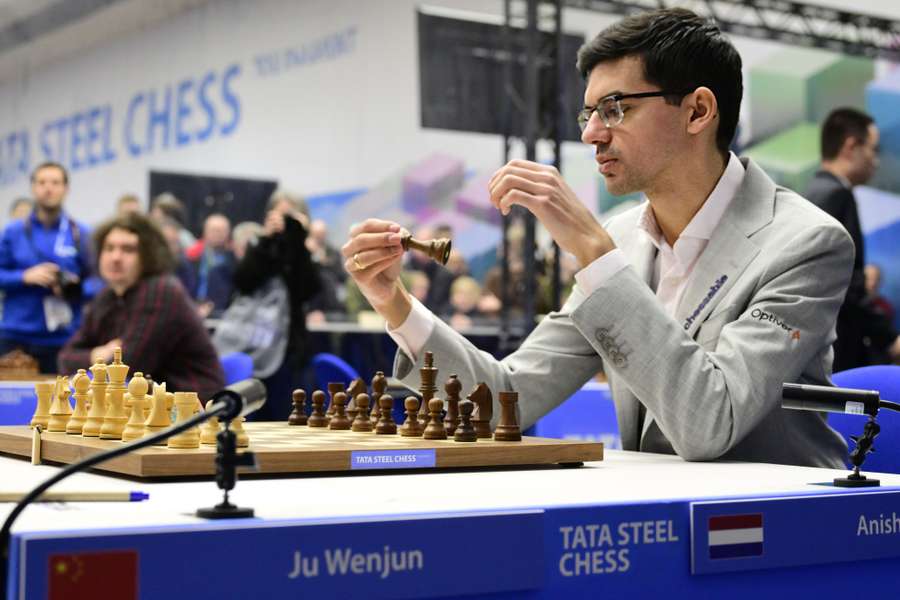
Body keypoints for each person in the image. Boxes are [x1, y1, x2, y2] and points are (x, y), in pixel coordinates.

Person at [342, 8, 855, 468]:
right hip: (661, 523)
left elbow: (709, 423)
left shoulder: (805, 243)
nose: (591, 134)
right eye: (589, 114)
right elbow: (508, 397)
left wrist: (594, 255)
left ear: (698, 111)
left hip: (783, 537)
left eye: (615, 108)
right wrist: (397, 305)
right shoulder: (621, 238)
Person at [58, 213, 224, 400]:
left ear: (148, 256)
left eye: (128, 249)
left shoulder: (161, 292)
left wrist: (98, 358)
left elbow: (128, 367)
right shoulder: (107, 296)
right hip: (142, 407)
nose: (115, 257)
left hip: (191, 409)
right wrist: (99, 354)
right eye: (109, 248)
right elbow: (65, 358)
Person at [804, 108, 900, 371]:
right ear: (851, 146)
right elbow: (844, 285)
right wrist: (889, 338)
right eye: (873, 149)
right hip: (838, 352)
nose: (876, 161)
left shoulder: (812, 192)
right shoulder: (838, 195)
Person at [233, 189, 320, 419]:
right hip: (257, 343)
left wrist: (299, 240)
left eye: (290, 216)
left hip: (291, 347)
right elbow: (243, 281)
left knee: (290, 413)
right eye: (279, 215)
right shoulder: (262, 244)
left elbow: (309, 289)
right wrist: (266, 239)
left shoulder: (302, 249)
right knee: (256, 414)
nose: (284, 221)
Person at [0, 163, 93, 373]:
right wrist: (23, 277)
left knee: (60, 402)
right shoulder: (13, 232)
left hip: (62, 337)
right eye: (42, 182)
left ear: (66, 189)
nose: (48, 188)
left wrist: (74, 288)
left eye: (55, 182)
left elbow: (100, 281)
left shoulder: (80, 233)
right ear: (33, 188)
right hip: (16, 335)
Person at [188, 213, 236, 318]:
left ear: (228, 233)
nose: (217, 234)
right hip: (192, 305)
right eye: (214, 230)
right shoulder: (191, 256)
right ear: (205, 231)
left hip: (220, 311)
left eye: (221, 230)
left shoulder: (234, 260)